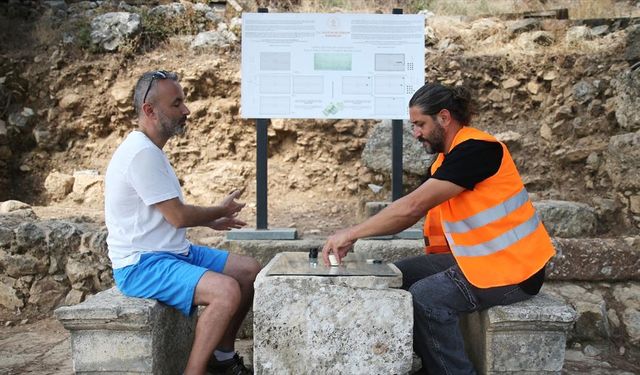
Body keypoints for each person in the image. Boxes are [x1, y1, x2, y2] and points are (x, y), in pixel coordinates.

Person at [322, 82, 555, 374]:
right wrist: (355, 232)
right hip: (483, 260)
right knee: (399, 275)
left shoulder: (478, 150)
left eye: (420, 124)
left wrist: (352, 233)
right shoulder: (447, 159)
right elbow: (407, 210)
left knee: (427, 297)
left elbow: (411, 208)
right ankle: (428, 362)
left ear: (444, 117)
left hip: (515, 270)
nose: (415, 132)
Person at [104, 70, 260, 375]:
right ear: (149, 110)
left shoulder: (150, 150)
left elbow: (169, 214)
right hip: (140, 264)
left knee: (248, 271)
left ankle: (223, 357)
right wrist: (216, 211)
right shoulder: (140, 154)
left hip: (172, 252)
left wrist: (210, 220)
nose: (186, 111)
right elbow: (177, 216)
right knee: (226, 291)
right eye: (177, 104)